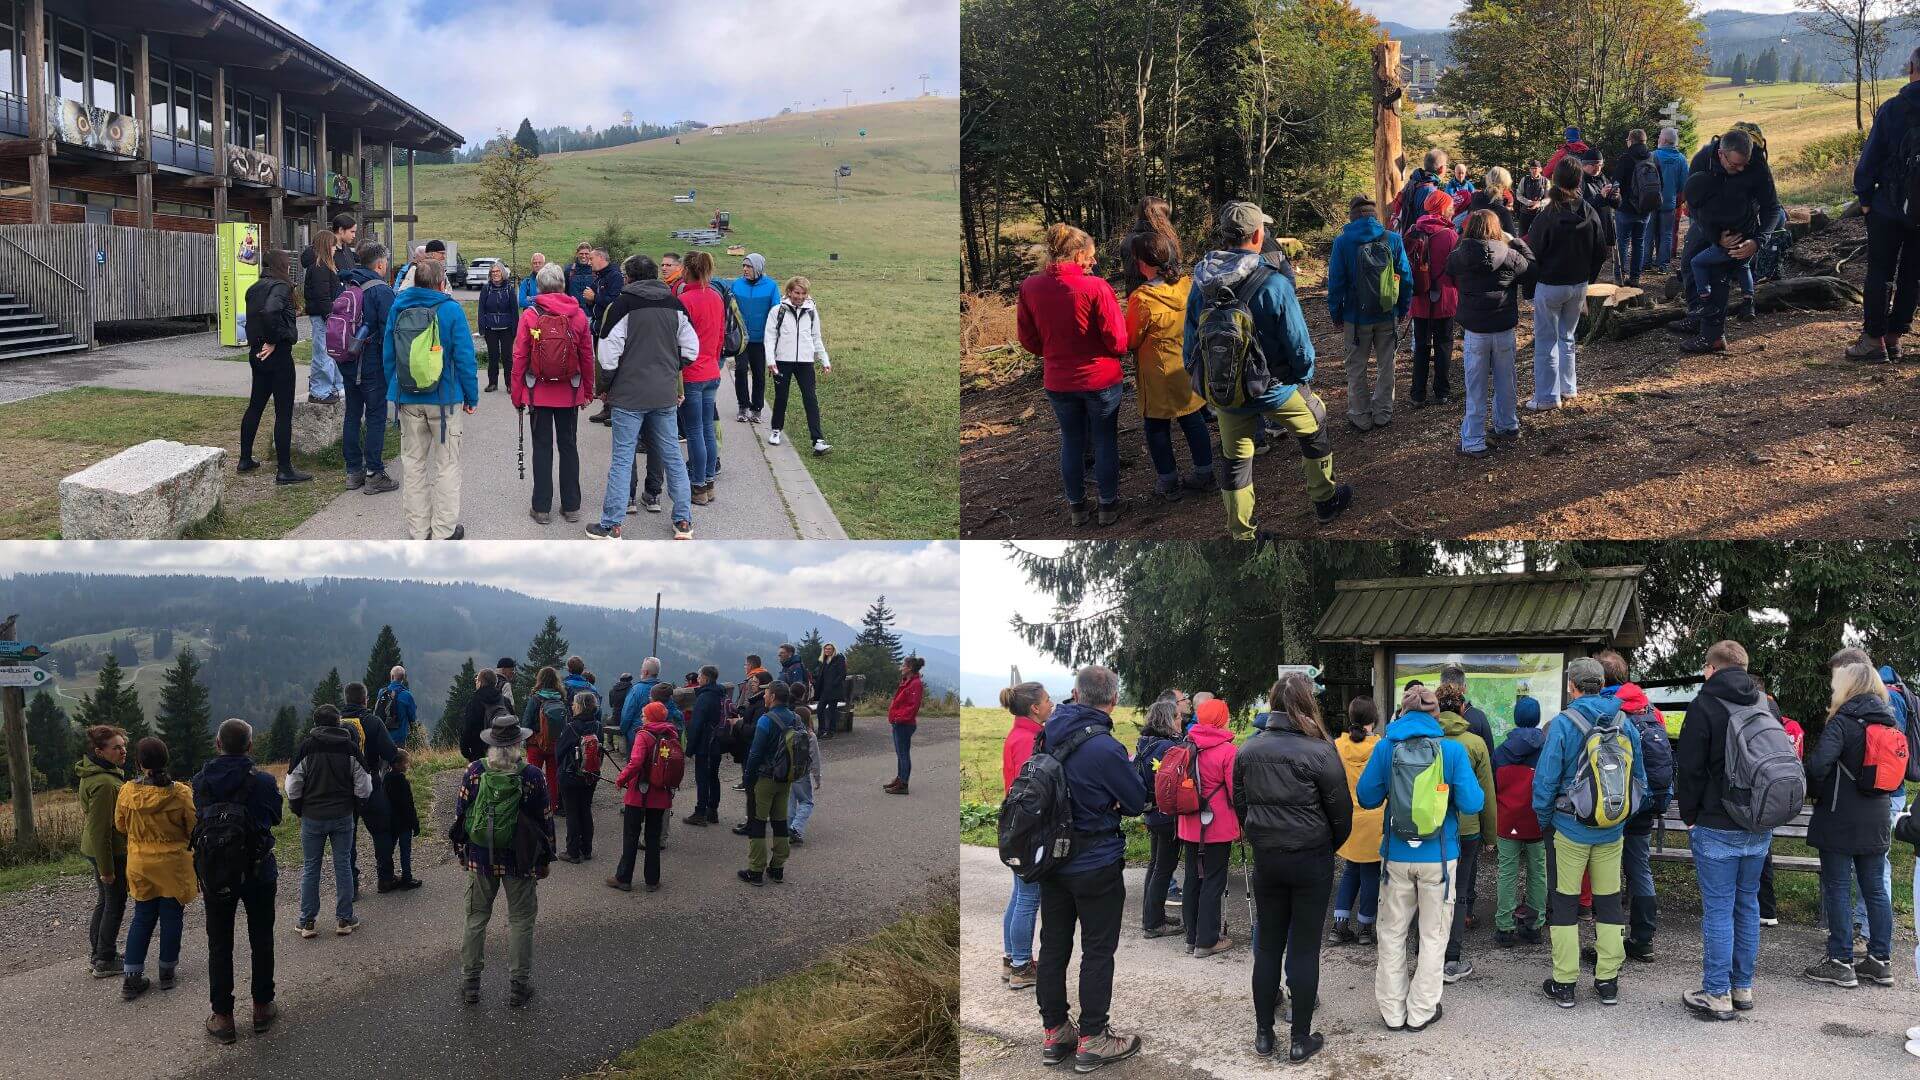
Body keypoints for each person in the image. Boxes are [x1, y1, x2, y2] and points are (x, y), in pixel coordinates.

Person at [1185, 201, 1352, 534]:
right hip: (1275, 388)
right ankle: (1324, 500)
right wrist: (1301, 380)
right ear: (1258, 234)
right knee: (1314, 421)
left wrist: (1210, 384)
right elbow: (1299, 345)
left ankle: (1242, 531)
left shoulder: (1201, 283)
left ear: (1224, 236)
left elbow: (1190, 345)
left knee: (1235, 459)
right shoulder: (1273, 283)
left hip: (1226, 391)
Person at [1033, 666, 1149, 1072]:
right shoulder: (1106, 748)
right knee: (1097, 950)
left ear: (1075, 694)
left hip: (1051, 861)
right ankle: (1094, 1037)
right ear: (1112, 700)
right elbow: (1136, 801)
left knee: (1053, 946)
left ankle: (1055, 1032)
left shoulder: (1046, 735)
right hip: (1096, 861)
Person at [1233, 674, 1350, 1063]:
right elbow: (1341, 812)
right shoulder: (1320, 751)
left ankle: (1264, 1034)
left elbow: (1241, 805)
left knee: (1267, 945)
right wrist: (1325, 845)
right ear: (1307, 704)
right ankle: (1300, 1038)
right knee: (1303, 948)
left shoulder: (1248, 750)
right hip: (1310, 857)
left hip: (1269, 857)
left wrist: (1261, 836)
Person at [1355, 684, 1486, 1032]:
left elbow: (1366, 797)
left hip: (1396, 857)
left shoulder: (1386, 748)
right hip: (1440, 859)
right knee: (1433, 935)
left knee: (1392, 932)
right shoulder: (1452, 752)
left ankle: (1393, 1012)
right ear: (1435, 716)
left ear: (1401, 712)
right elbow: (1474, 804)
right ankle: (1421, 1011)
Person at [1534, 657, 1646, 1008]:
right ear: (1601, 683)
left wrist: (1545, 818)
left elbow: (1546, 779)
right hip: (1612, 831)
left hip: (1570, 827)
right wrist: (1621, 817)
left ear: (1572, 686)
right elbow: (1638, 778)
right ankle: (1608, 980)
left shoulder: (1565, 723)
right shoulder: (1624, 721)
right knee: (1609, 901)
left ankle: (1565, 982)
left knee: (1565, 903)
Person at [1673, 640, 1776, 1018]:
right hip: (1758, 822)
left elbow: (1691, 767)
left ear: (1712, 669)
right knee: (1747, 903)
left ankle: (1716, 994)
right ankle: (1742, 987)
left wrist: (1690, 814)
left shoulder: (1704, 705)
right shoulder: (1764, 703)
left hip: (1716, 823)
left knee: (1718, 909)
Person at [1016, 223, 1127, 526]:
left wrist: (1054, 351)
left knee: (1072, 441)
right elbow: (1117, 340)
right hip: (1100, 379)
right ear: (1078, 255)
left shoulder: (1030, 288)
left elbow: (1028, 339)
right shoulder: (1096, 287)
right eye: (1090, 257)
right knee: (1105, 440)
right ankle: (1108, 505)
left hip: (1059, 380)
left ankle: (1077, 508)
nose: (1093, 262)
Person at [588, 254, 698, 541]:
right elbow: (691, 349)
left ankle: (612, 524)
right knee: (672, 455)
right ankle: (683, 520)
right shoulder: (675, 304)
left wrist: (606, 387)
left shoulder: (621, 306)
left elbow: (607, 356)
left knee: (623, 459)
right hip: (663, 393)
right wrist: (671, 368)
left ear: (628, 277)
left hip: (628, 395)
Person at [1804, 655, 1898, 990]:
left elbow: (1817, 767)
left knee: (1838, 888)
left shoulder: (1842, 722)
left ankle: (1841, 961)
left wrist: (1816, 790)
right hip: (1877, 814)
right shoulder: (1887, 723)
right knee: (1874, 889)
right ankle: (1880, 960)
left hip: (1840, 815)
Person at [454, 711, 554, 1007]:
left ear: (491, 744)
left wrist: (462, 853)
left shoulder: (475, 770)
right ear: (518, 744)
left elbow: (462, 815)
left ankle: (471, 984)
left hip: (480, 857)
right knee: (521, 920)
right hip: (521, 860)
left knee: (476, 918)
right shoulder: (532, 775)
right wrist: (545, 860)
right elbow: (545, 820)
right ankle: (518, 987)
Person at [192, 718, 283, 1042]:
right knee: (261, 937)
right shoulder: (262, 781)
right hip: (258, 869)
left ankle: (223, 1016)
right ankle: (261, 1007)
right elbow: (275, 816)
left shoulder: (200, 781)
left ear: (218, 745)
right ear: (250, 746)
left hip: (216, 871)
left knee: (219, 943)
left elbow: (200, 816)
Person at [385, 257, 479, 539]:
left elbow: (389, 356)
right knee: (446, 465)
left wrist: (396, 391)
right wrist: (471, 396)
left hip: (408, 398)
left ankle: (419, 529)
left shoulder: (397, 307)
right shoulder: (451, 310)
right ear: (442, 283)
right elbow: (465, 358)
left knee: (413, 465)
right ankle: (443, 530)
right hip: (445, 399)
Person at [1595, 648, 1674, 962]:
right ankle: (1643, 939)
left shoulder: (1608, 710)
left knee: (1608, 872)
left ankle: (1610, 945)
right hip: (1645, 801)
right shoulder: (1650, 709)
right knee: (1639, 869)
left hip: (1614, 804)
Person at [1672, 127, 1780, 354]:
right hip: (1707, 222)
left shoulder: (1757, 165)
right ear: (1721, 154)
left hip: (1739, 224)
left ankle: (1712, 336)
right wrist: (1715, 237)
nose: (1740, 169)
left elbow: (1772, 209)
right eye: (1734, 164)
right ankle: (1697, 314)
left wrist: (1757, 241)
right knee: (1689, 262)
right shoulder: (1703, 160)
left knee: (1718, 272)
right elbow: (1693, 202)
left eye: (1744, 164)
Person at [1125, 231, 1212, 501]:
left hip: (1157, 373)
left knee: (1156, 427)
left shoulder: (1141, 298)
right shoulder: (1187, 285)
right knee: (1193, 418)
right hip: (1187, 364)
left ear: (1142, 263)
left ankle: (1168, 481)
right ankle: (1204, 472)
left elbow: (1131, 338)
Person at [511, 261, 597, 525]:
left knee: (542, 446)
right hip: (569, 392)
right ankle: (571, 506)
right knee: (569, 446)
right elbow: (587, 357)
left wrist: (517, 395)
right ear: (563, 285)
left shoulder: (530, 315)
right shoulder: (578, 315)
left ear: (540, 286)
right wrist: (588, 390)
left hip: (538, 392)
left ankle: (542, 507)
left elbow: (519, 356)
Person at [1849, 45, 1920, 362]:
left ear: (1911, 68)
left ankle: (1873, 341)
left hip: (1888, 207)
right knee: (1913, 275)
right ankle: (1894, 338)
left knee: (1879, 272)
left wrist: (1865, 200)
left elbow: (1870, 160)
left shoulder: (1893, 109)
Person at [114, 736, 196, 1001]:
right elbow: (193, 827)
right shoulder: (180, 792)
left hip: (140, 862)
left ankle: (132, 978)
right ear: (166, 760)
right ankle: (167, 972)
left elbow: (120, 825)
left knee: (142, 917)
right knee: (172, 917)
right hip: (173, 864)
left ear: (139, 763)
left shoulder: (127, 791)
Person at [1524, 157, 1607, 411]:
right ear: (1579, 180)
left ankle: (1548, 397)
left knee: (1547, 340)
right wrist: (1587, 279)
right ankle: (1567, 388)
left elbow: (1532, 253)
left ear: (1555, 180)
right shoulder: (1588, 211)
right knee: (1567, 337)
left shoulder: (1547, 215)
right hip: (1577, 283)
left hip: (1551, 284)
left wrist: (1529, 288)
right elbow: (1600, 250)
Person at [1449, 209, 1534, 457]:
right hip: (1503, 326)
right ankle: (1508, 425)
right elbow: (1532, 270)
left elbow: (1447, 270)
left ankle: (1474, 439)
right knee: (1506, 380)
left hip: (1476, 330)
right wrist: (1518, 242)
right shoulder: (1510, 255)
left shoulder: (1459, 256)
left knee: (1475, 386)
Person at [285, 705, 372, 938]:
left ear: (316, 724)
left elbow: (293, 785)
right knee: (342, 864)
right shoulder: (350, 748)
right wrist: (356, 805)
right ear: (338, 723)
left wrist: (298, 808)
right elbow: (364, 786)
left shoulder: (306, 747)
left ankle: (307, 922)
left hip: (312, 816)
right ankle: (344, 919)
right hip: (343, 815)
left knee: (311, 867)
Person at [1328, 194, 1411, 431]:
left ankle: (1360, 415)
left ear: (1352, 216)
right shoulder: (1393, 239)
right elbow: (1405, 277)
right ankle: (1383, 413)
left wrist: (1336, 314)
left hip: (1356, 317)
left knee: (1356, 367)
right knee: (1387, 364)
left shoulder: (1342, 243)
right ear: (1375, 216)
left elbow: (1336, 282)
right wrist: (1402, 308)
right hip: (1387, 313)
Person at [1436, 682, 1496, 982]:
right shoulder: (1474, 743)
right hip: (1468, 830)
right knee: (1458, 894)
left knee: (1430, 891)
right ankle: (1452, 958)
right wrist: (1490, 836)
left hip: (1430, 828)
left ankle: (1426, 953)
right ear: (1462, 708)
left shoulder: (1426, 740)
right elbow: (1486, 793)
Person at [239, 249, 311, 485]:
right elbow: (270, 313)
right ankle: (284, 469)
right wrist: (274, 339)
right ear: (281, 265)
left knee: (255, 406)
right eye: (287, 263)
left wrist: (263, 341)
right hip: (276, 353)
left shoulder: (254, 288)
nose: (290, 267)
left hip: (256, 353)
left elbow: (255, 318)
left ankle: (245, 458)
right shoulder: (280, 287)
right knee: (283, 412)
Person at [1177, 697, 1241, 958]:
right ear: (1221, 719)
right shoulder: (1228, 751)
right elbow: (1236, 792)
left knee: (1192, 878)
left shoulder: (1186, 744)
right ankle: (1208, 940)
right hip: (1217, 825)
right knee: (1214, 880)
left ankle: (1191, 937)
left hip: (1189, 823)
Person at [999, 681, 1052, 990]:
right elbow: (1030, 790)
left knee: (1020, 894)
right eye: (1046, 700)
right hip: (1028, 829)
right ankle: (1021, 965)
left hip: (1018, 827)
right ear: (1034, 708)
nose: (1050, 704)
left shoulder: (1021, 734)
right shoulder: (1027, 740)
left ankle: (1011, 959)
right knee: (1029, 897)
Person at [339, 243, 398, 495]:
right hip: (371, 362)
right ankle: (374, 473)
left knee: (352, 413)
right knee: (375, 415)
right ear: (381, 264)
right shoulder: (381, 290)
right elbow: (390, 330)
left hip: (347, 360)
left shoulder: (348, 283)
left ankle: (353, 472)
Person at [1491, 694, 1547, 946]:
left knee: (1507, 873)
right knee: (1538, 872)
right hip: (1537, 820)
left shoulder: (1501, 752)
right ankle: (1534, 926)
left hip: (1507, 820)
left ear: (1515, 718)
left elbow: (1493, 786)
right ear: (1537, 719)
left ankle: (1505, 927)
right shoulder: (1546, 749)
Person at [610, 699, 683, 892]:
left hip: (640, 793)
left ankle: (623, 878)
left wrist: (621, 779)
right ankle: (652, 880)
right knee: (653, 836)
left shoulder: (644, 735)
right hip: (661, 794)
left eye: (644, 714)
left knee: (631, 835)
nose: (642, 717)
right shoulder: (671, 733)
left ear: (650, 717)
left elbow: (635, 763)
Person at [76, 725, 130, 979]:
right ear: (100, 751)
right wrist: (107, 869)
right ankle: (105, 959)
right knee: (114, 901)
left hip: (96, 848)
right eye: (116, 747)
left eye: (123, 746)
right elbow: (101, 832)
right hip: (109, 852)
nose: (123, 751)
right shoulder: (105, 784)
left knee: (105, 900)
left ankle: (99, 953)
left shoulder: (96, 773)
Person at [1130, 697, 1184, 945]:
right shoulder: (1168, 747)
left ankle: (1152, 915)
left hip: (1151, 811)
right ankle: (1153, 923)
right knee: (1164, 867)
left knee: (1155, 866)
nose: (1181, 719)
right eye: (1177, 716)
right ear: (1168, 720)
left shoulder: (1146, 743)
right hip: (1166, 814)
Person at [739, 680, 805, 885]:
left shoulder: (766, 720)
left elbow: (755, 753)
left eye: (767, 694)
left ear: (774, 697)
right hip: (786, 778)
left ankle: (756, 870)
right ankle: (777, 868)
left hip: (765, 778)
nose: (764, 697)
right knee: (779, 822)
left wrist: (748, 778)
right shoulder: (796, 719)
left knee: (758, 822)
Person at [1329, 697, 1382, 948]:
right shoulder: (1380, 746)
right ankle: (1365, 927)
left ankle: (1339, 926)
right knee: (1371, 872)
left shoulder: (1337, 745)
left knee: (1351, 870)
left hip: (1348, 817)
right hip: (1375, 818)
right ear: (1374, 719)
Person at [673, 251, 725, 504]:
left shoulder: (685, 299)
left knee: (694, 431)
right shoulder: (716, 297)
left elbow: (677, 339)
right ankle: (709, 481)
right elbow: (720, 335)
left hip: (692, 372)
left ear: (686, 270)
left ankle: (697, 484)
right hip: (711, 369)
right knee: (706, 429)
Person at [765, 276, 833, 455]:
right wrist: (771, 361)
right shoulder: (777, 311)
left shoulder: (811, 311)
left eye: (803, 293)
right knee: (782, 397)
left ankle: (817, 440)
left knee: (810, 399)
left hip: (805, 361)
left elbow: (816, 337)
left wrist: (824, 359)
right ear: (789, 292)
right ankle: (776, 430)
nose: (800, 297)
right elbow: (770, 337)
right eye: (797, 293)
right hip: (783, 360)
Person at [1407, 188, 1459, 407]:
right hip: (1444, 298)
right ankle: (1441, 391)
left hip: (1419, 298)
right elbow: (1457, 269)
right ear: (1443, 208)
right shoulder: (1449, 235)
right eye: (1450, 206)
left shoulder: (1412, 231)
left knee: (1421, 345)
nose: (1453, 209)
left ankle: (1417, 393)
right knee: (1444, 344)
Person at [728, 253, 781, 423]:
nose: (745, 269)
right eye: (744, 266)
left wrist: (775, 336)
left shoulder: (771, 286)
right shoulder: (737, 284)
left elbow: (776, 312)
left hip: (760, 340)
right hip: (742, 338)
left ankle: (757, 409)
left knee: (759, 374)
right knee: (741, 370)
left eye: (749, 266)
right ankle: (743, 406)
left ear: (758, 268)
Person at [554, 691, 604, 862]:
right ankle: (587, 849)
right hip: (591, 775)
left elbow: (559, 752)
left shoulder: (571, 727)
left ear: (580, 706)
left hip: (570, 776)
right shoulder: (598, 726)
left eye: (574, 704)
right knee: (585, 809)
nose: (572, 706)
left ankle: (573, 851)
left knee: (572, 812)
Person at [301, 228, 345, 404]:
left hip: (327, 315)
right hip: (323, 316)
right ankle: (320, 391)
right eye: (334, 245)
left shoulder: (325, 266)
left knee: (330, 353)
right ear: (327, 246)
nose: (336, 249)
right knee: (323, 354)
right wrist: (329, 315)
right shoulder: (320, 267)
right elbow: (322, 296)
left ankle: (331, 387)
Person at [1610, 130, 1657, 286]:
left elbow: (1617, 181)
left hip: (1626, 207)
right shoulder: (1652, 157)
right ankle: (1635, 277)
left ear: (1631, 141)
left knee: (1623, 242)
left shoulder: (1626, 158)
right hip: (1645, 208)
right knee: (1639, 241)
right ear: (1644, 140)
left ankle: (1620, 277)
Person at [685, 665, 728, 826]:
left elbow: (696, 724)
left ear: (706, 678)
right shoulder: (721, 694)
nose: (698, 678)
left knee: (702, 778)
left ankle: (700, 812)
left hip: (705, 743)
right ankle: (713, 811)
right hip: (717, 742)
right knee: (713, 777)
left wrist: (690, 748)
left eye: (700, 676)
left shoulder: (704, 697)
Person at [786, 683, 824, 844]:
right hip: (802, 773)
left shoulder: (788, 732)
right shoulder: (810, 736)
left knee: (790, 802)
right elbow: (815, 758)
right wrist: (817, 777)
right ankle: (796, 828)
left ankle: (788, 829)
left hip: (787, 771)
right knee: (807, 802)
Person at [523, 666, 567, 799]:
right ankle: (553, 806)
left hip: (536, 743)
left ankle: (534, 807)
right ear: (556, 681)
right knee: (553, 778)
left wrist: (525, 742)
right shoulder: (560, 699)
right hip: (555, 744)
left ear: (540, 680)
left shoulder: (535, 699)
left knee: (532, 777)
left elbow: (526, 723)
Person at [1650, 127, 1689, 273]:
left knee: (1649, 232)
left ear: (1664, 140)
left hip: (1652, 201)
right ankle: (1663, 265)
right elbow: (1684, 184)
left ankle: (1646, 262)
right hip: (1669, 202)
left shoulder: (1652, 155)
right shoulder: (1681, 159)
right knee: (1667, 233)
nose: (1658, 138)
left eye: (1660, 136)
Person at [885, 656, 925, 795]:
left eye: (903, 665)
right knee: (900, 753)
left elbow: (913, 706)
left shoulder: (916, 684)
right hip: (899, 722)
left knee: (903, 754)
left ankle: (903, 784)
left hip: (904, 724)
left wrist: (899, 718)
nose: (901, 667)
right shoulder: (906, 681)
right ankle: (900, 778)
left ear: (910, 668)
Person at [477, 261, 519, 392]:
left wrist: (515, 329)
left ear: (502, 273)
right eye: (493, 272)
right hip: (490, 329)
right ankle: (492, 383)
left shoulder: (510, 289)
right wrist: (482, 328)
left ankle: (510, 383)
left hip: (507, 328)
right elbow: (481, 309)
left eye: (497, 271)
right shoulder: (486, 289)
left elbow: (514, 311)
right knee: (492, 356)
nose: (495, 274)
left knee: (507, 357)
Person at [384, 749, 422, 890]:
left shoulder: (386, 779)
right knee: (405, 851)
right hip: (405, 823)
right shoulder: (402, 781)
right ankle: (407, 878)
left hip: (391, 822)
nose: (407, 765)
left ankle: (387, 877)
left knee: (389, 850)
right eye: (406, 763)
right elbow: (409, 805)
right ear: (398, 764)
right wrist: (415, 824)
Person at [583, 248, 624, 333]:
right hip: (596, 330)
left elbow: (614, 303)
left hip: (609, 333)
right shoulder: (599, 277)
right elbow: (594, 305)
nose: (589, 263)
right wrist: (589, 302)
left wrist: (594, 297)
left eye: (591, 259)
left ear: (601, 257)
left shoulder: (615, 276)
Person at [814, 643, 847, 740]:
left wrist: (834, 684)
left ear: (833, 650)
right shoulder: (824, 661)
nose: (827, 651)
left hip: (834, 690)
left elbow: (842, 674)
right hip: (824, 690)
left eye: (829, 649)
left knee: (831, 711)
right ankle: (821, 731)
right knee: (820, 710)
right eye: (826, 649)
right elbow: (821, 675)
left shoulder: (839, 659)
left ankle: (830, 732)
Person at [1515, 160, 1550, 236]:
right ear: (1529, 169)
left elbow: (1549, 198)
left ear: (1540, 169)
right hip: (1525, 212)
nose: (1534, 170)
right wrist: (1528, 202)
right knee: (1522, 236)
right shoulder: (1524, 180)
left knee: (1539, 236)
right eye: (1532, 168)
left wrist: (1539, 204)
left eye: (1536, 168)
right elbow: (1518, 194)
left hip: (1539, 213)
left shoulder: (1545, 181)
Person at [566, 242, 596, 307]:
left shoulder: (596, 270)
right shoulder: (569, 270)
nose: (584, 256)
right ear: (577, 254)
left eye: (586, 254)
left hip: (590, 311)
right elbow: (564, 291)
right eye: (581, 254)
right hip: (573, 310)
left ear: (590, 254)